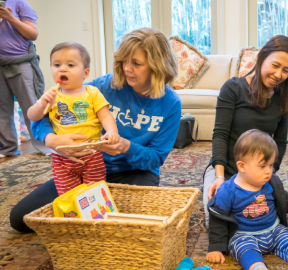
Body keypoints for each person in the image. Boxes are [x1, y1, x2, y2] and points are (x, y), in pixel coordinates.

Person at [10, 28, 181, 233]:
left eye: (136, 63)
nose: (127, 68)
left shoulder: (171, 103)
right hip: (84, 168)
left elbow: (155, 158)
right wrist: (52, 140)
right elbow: (40, 117)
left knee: (129, 227)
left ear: (157, 66)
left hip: (134, 173)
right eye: (123, 61)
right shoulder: (102, 86)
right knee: (20, 219)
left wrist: (126, 147)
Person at [206, 129, 288, 270]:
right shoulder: (228, 190)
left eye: (270, 165)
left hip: (274, 230)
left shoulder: (271, 183)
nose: (268, 171)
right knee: (244, 249)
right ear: (242, 166)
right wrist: (215, 247)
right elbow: (218, 218)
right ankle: (257, 267)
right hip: (244, 235)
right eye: (262, 166)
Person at [203, 35, 288, 225]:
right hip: (226, 170)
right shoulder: (232, 88)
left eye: (286, 70)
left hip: (257, 173)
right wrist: (220, 177)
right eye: (275, 65)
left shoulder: (282, 98)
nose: (279, 74)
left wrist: (266, 172)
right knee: (219, 222)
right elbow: (220, 135)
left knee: (266, 219)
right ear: (262, 58)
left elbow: (280, 142)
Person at [27, 42, 119, 195]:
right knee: (69, 195)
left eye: (70, 65)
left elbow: (106, 116)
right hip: (61, 156)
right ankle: (74, 217)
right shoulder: (51, 95)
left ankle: (94, 217)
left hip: (92, 153)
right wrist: (42, 103)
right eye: (56, 65)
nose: (62, 69)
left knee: (95, 193)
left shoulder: (93, 93)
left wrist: (112, 131)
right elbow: (32, 116)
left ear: (85, 73)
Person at [0, 0, 50, 157]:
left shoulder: (19, 4)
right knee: (2, 109)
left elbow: (33, 34)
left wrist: (11, 18)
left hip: (20, 62)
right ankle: (7, 149)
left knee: (31, 106)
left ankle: (45, 147)